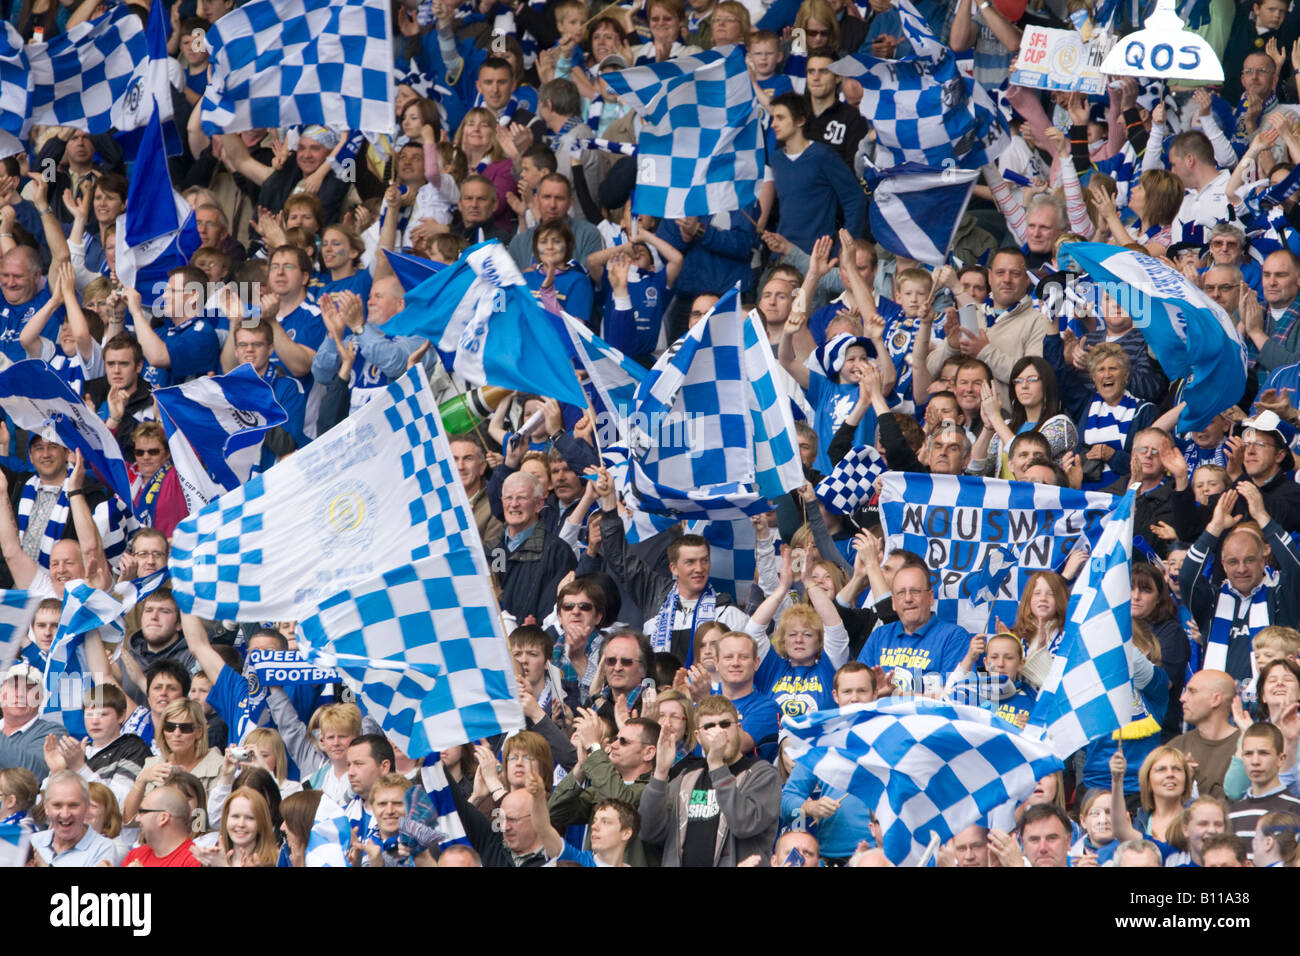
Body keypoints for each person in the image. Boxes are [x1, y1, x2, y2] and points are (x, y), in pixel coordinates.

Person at [639, 696, 781, 866]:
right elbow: (649, 831)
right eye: (709, 726)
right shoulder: (687, 776)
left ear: (739, 729)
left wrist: (717, 766)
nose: (719, 732)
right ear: (698, 736)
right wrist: (660, 773)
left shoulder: (763, 774)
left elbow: (744, 824)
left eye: (725, 724)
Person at [855, 564, 970, 695]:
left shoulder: (954, 636)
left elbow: (955, 694)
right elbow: (856, 686)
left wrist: (896, 694)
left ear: (930, 597)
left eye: (915, 591)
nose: (908, 599)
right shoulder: (880, 635)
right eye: (901, 593)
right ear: (893, 602)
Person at [1228, 722, 1300, 857]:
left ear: (1281, 759)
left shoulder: (1295, 809)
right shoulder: (1233, 813)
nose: (1255, 761)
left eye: (1264, 753)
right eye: (1248, 754)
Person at [1169, 670, 1242, 800]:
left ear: (1215, 699)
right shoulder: (1177, 746)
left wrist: (1194, 777)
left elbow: (1237, 803)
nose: (1182, 698)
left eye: (1192, 691)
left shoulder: (1245, 746)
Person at [30, 771, 116, 867]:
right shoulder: (33, 841)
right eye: (57, 805)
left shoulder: (102, 849)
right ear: (46, 807)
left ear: (87, 806)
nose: (65, 814)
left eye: (73, 805)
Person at [0, 663, 66, 782]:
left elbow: (31, 773)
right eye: (14, 686)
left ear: (40, 699)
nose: (20, 695)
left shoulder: (52, 732)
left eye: (29, 689)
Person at [194, 787, 279, 867]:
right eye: (235, 816)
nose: (241, 824)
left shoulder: (278, 860)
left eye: (250, 818)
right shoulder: (212, 860)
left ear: (262, 822)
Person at [122, 784, 202, 867]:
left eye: (142, 811)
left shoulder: (195, 860)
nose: (137, 819)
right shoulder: (135, 855)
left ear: (163, 818)